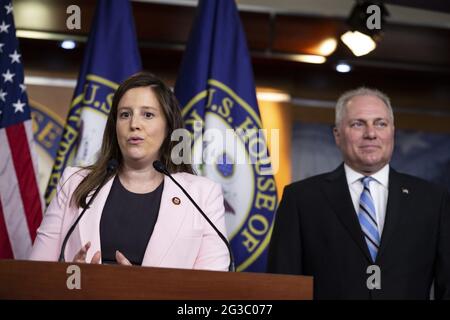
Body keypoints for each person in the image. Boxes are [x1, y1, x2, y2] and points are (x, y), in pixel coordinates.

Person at [30, 72, 229, 271]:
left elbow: (212, 287)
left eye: (148, 115)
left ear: (169, 126)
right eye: (125, 114)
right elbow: (35, 274)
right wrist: (71, 280)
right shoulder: (74, 182)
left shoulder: (202, 195)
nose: (134, 124)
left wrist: (138, 288)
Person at [267, 87, 450, 299]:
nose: (371, 133)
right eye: (358, 124)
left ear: (392, 131)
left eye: (380, 123)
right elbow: (282, 286)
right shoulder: (300, 199)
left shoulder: (433, 200)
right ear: (337, 134)